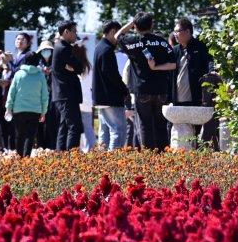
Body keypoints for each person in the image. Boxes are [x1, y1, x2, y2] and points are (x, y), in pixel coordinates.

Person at [116, 12, 176, 151]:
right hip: (161, 90)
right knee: (161, 124)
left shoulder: (132, 42)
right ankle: (162, 154)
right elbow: (173, 64)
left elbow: (117, 36)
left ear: (135, 26)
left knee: (144, 124)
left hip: (141, 89)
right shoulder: (162, 42)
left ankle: (148, 155)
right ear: (152, 24)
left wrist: (131, 23)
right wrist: (156, 67)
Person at [172, 17, 217, 149]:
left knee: (198, 130)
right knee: (181, 130)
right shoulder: (175, 50)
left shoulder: (200, 46)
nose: (175, 34)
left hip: (196, 96)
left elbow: (210, 61)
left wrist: (212, 71)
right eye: (174, 32)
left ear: (187, 32)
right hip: (178, 98)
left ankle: (198, 153)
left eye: (177, 31)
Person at [93, 21, 129, 150]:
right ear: (113, 32)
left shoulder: (99, 47)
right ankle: (114, 162)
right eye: (120, 34)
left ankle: (103, 162)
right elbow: (112, 75)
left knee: (105, 131)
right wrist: (125, 90)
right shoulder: (107, 50)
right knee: (119, 131)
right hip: (111, 98)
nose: (121, 39)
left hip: (101, 97)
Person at [5, 52, 48, 157]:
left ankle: (20, 158)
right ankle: (26, 158)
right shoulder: (41, 75)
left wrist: (8, 108)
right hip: (35, 110)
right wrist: (43, 112)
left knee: (19, 135)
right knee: (30, 136)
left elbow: (11, 93)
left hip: (19, 110)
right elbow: (45, 96)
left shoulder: (18, 74)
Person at [52, 20, 84, 151]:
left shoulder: (60, 46)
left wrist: (75, 67)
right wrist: (76, 67)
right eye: (74, 31)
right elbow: (80, 67)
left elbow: (77, 67)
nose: (76, 35)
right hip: (67, 94)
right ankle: (72, 158)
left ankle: (62, 157)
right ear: (66, 31)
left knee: (65, 126)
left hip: (63, 94)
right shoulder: (64, 48)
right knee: (74, 126)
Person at [73, 42, 96, 151]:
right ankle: (90, 149)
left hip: (75, 101)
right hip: (87, 101)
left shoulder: (73, 67)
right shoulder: (89, 67)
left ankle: (76, 150)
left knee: (74, 128)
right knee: (88, 128)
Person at [36, 40, 58, 150]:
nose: (46, 52)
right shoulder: (37, 63)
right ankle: (40, 145)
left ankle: (51, 145)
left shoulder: (56, 62)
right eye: (44, 50)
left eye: (48, 50)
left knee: (51, 121)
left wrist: (51, 71)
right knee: (39, 121)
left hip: (52, 95)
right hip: (39, 96)